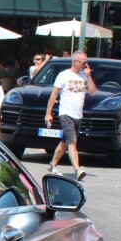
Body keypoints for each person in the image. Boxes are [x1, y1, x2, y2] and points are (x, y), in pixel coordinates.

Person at [44, 50, 96, 180]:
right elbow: (54, 94)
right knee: (72, 142)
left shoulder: (84, 76)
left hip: (78, 115)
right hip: (66, 113)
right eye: (84, 62)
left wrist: (89, 76)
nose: (86, 65)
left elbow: (93, 92)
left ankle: (52, 165)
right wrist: (48, 113)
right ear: (75, 61)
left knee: (65, 142)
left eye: (86, 62)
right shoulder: (64, 75)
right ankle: (77, 170)